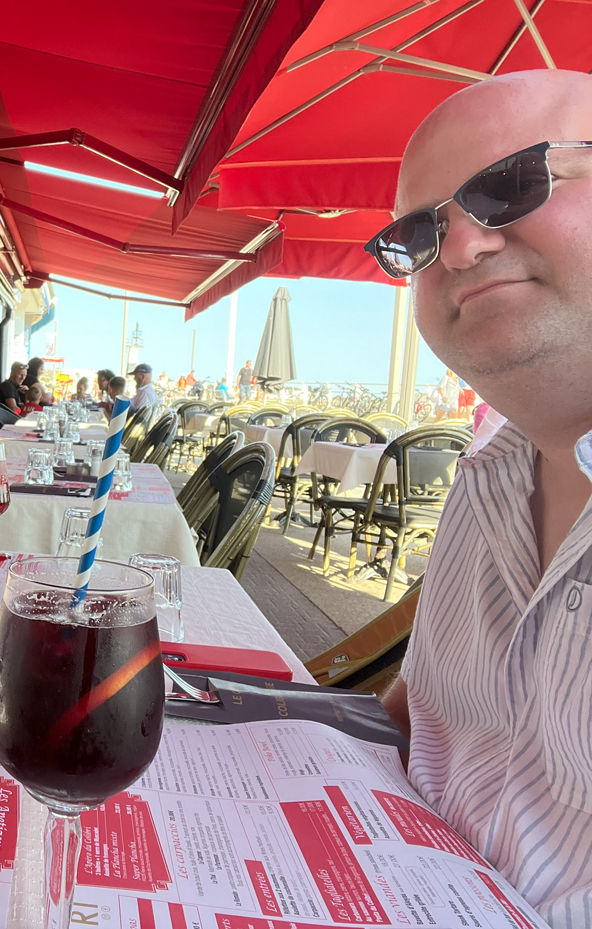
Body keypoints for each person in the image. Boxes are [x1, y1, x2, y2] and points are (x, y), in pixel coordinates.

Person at [370, 69, 592, 926]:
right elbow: (419, 708)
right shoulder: (486, 471)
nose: (460, 248)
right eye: (418, 233)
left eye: (512, 183)